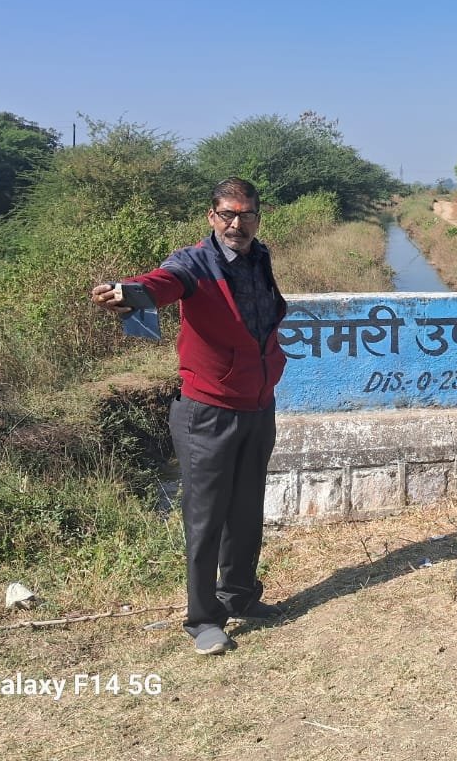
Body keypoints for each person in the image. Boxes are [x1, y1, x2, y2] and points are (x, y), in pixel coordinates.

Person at [91, 178, 288, 654]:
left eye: (245, 214)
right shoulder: (194, 262)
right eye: (227, 214)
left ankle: (240, 595)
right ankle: (203, 619)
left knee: (247, 510)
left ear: (257, 217)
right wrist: (129, 292)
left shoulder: (259, 258)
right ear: (211, 216)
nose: (236, 224)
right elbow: (162, 282)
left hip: (257, 406)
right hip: (207, 412)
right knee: (205, 518)